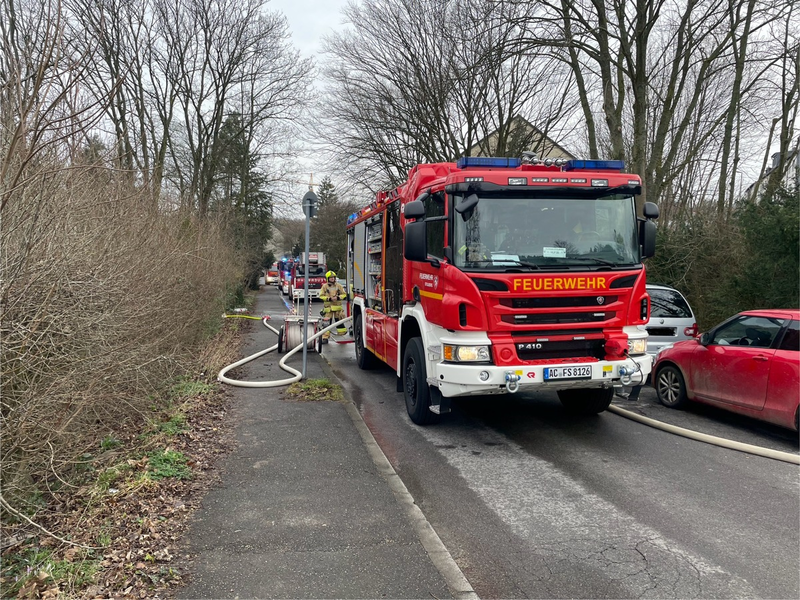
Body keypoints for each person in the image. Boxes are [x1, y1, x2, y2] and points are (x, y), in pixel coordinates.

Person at [319, 271, 348, 343]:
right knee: (326, 324)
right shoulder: (324, 286)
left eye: (333, 277)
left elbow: (344, 294)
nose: (332, 279)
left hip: (338, 309)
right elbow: (321, 296)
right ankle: (325, 338)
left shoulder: (339, 286)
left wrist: (338, 297)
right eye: (331, 278)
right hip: (328, 309)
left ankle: (342, 336)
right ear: (327, 278)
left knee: (340, 323)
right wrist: (328, 298)